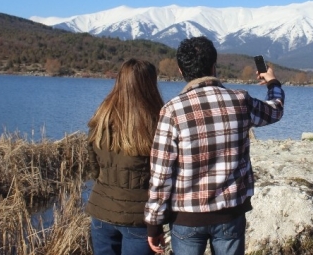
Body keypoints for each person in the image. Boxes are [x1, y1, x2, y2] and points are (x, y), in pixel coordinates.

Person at [145, 36, 285, 255]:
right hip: (230, 214)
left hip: (186, 217)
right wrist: (273, 83)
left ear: (181, 71)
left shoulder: (172, 110)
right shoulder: (240, 100)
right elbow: (275, 109)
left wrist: (154, 223)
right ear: (214, 66)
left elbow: (161, 174)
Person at [85, 58, 165, 255]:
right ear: (150, 85)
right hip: (138, 217)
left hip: (102, 210)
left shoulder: (102, 118)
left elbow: (94, 167)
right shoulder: (156, 123)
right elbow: (162, 177)